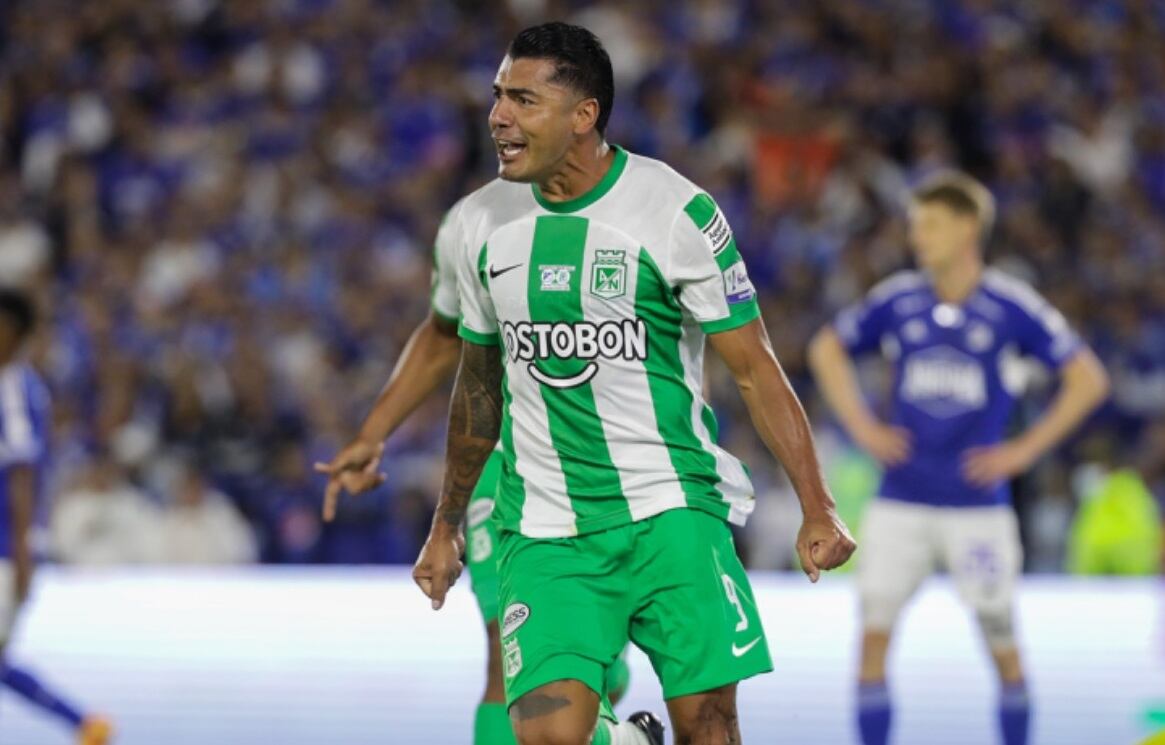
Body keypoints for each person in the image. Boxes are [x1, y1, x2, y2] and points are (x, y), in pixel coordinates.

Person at [413, 22, 855, 745]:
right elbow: (477, 388)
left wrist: (817, 504)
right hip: (546, 528)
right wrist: (445, 524)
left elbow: (752, 364)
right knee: (548, 736)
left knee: (709, 728)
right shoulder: (481, 225)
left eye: (523, 100)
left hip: (670, 511)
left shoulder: (674, 211)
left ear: (583, 115)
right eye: (497, 97)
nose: (498, 116)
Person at [807, 172, 1111, 745]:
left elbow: (1088, 378)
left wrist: (1022, 451)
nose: (917, 236)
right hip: (901, 499)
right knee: (873, 636)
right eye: (914, 225)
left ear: (967, 228)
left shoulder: (1009, 305)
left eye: (929, 224)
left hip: (978, 507)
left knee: (1002, 639)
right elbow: (826, 348)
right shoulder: (898, 298)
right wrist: (865, 429)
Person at [0, 289, 114, 744]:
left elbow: (22, 474)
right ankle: (84, 723)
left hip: (5, 549)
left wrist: (24, 553)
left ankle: (84, 723)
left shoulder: (13, 387)